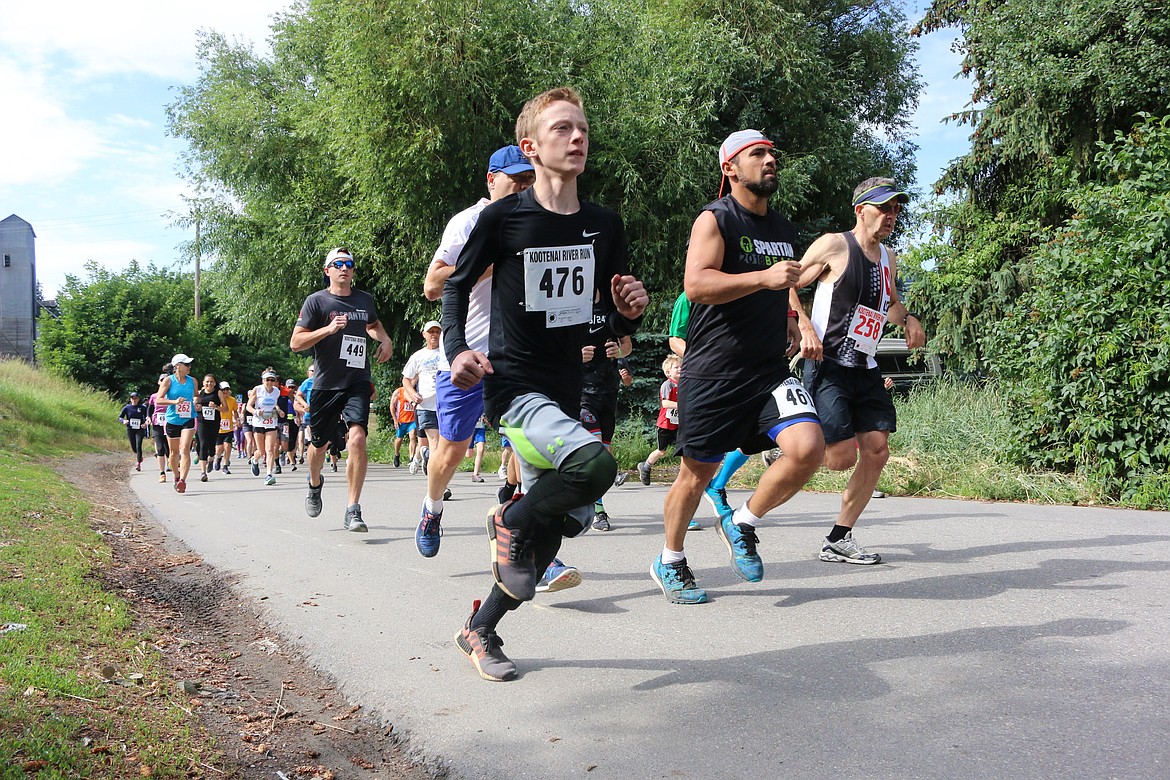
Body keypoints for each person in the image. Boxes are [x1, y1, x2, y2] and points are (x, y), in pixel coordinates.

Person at [443, 86, 647, 680]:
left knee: (552, 537)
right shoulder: (503, 217)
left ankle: (480, 630)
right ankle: (511, 517)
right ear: (531, 148)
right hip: (515, 387)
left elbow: (604, 312)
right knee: (595, 469)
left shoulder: (605, 225)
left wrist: (627, 312)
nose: (578, 137)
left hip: (574, 386)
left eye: (582, 128)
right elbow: (455, 287)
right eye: (563, 129)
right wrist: (456, 351)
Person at [656, 129, 825, 605]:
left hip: (768, 368)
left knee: (808, 447)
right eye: (758, 154)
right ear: (730, 167)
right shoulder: (715, 220)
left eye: (772, 153)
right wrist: (763, 278)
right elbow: (697, 285)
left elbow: (784, 282)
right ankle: (670, 559)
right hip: (714, 370)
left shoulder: (783, 228)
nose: (770, 160)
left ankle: (743, 522)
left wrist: (793, 317)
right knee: (697, 474)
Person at [791, 177, 926, 564]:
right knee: (839, 458)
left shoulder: (888, 258)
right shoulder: (834, 245)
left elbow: (891, 306)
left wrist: (909, 319)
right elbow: (787, 284)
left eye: (896, 209)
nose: (891, 216)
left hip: (865, 365)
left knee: (877, 449)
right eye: (884, 208)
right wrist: (803, 327)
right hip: (827, 363)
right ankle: (789, 448)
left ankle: (839, 537)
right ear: (860, 210)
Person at [414, 145, 536, 557]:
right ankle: (432, 509)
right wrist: (496, 261)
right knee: (451, 452)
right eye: (516, 179)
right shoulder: (469, 222)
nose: (523, 186)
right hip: (467, 355)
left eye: (529, 179)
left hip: (520, 356)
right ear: (491, 180)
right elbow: (434, 284)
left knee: (532, 443)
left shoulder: (539, 220)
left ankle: (525, 532)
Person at [290, 247, 393, 532]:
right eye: (338, 264)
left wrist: (384, 339)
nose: (344, 268)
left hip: (357, 380)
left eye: (349, 264)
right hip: (326, 384)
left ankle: (353, 508)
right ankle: (314, 483)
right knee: (318, 445)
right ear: (328, 271)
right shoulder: (316, 302)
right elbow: (296, 343)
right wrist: (328, 330)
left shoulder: (364, 300)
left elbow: (372, 324)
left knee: (357, 438)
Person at [579, 330, 633, 531]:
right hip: (583, 397)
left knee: (604, 454)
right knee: (598, 453)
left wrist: (620, 352)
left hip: (608, 399)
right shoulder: (575, 314)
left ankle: (583, 500)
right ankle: (599, 511)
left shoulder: (613, 314)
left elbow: (627, 348)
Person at [402, 321, 443, 476]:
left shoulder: (447, 354)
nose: (434, 334)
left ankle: (426, 456)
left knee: (443, 447)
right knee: (435, 443)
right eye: (431, 332)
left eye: (437, 332)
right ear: (424, 335)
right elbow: (406, 379)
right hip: (426, 407)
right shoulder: (418, 356)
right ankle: (439, 488)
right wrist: (412, 394)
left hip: (445, 406)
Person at [637, 354, 681, 485]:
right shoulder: (668, 385)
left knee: (685, 449)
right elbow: (666, 404)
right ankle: (645, 466)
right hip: (666, 424)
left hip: (680, 423)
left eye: (681, 367)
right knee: (662, 451)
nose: (680, 369)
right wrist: (683, 406)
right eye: (676, 367)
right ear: (668, 372)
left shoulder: (684, 384)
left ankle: (685, 477)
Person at [157, 353, 198, 494]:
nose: (189, 367)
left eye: (189, 364)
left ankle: (183, 481)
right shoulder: (168, 381)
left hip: (188, 418)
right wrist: (174, 402)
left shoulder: (193, 381)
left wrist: (197, 403)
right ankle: (176, 476)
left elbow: (196, 396)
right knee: (174, 452)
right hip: (173, 419)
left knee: (185, 448)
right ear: (178, 366)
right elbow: (159, 400)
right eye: (186, 365)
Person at [247, 369, 283, 486]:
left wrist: (278, 410)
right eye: (267, 380)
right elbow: (248, 406)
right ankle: (254, 459)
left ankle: (269, 474)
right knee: (261, 451)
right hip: (258, 423)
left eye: (272, 380)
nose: (269, 382)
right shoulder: (258, 390)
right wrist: (257, 412)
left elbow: (274, 403)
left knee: (270, 449)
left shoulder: (276, 391)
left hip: (271, 422)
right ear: (263, 380)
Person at [194, 374, 223, 483]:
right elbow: (195, 405)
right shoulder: (200, 393)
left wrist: (216, 407)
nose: (209, 384)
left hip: (214, 422)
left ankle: (211, 458)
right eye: (207, 382)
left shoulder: (218, 393)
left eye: (211, 382)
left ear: (215, 383)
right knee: (202, 443)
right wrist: (197, 406)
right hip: (202, 421)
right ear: (203, 383)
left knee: (211, 445)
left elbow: (225, 408)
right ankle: (203, 472)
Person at [147, 372, 171, 482]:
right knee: (160, 448)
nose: (163, 382)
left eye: (165, 380)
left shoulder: (171, 395)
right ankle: (162, 473)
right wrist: (148, 417)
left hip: (170, 423)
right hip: (157, 424)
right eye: (162, 380)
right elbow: (150, 409)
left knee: (169, 449)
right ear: (159, 382)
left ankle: (173, 466)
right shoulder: (154, 396)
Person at [118, 391, 149, 472]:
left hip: (140, 429)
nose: (134, 400)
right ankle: (139, 456)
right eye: (132, 398)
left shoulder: (142, 408)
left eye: (136, 398)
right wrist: (123, 421)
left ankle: (138, 463)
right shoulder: (127, 407)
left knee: (139, 445)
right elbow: (120, 417)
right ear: (130, 399)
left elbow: (147, 418)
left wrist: (145, 424)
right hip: (130, 429)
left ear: (138, 399)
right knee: (134, 447)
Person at [389, 385, 418, 469]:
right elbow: (392, 405)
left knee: (413, 437)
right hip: (401, 420)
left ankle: (411, 458)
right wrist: (395, 419)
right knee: (399, 439)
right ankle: (396, 454)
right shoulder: (398, 392)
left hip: (412, 420)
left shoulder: (415, 392)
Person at [215, 381, 237, 475]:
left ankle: (225, 465)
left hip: (228, 427)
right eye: (223, 390)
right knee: (219, 449)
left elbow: (235, 411)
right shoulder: (216, 399)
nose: (225, 391)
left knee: (227, 446)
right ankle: (218, 458)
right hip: (218, 427)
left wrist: (237, 419)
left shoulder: (232, 400)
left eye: (227, 389)